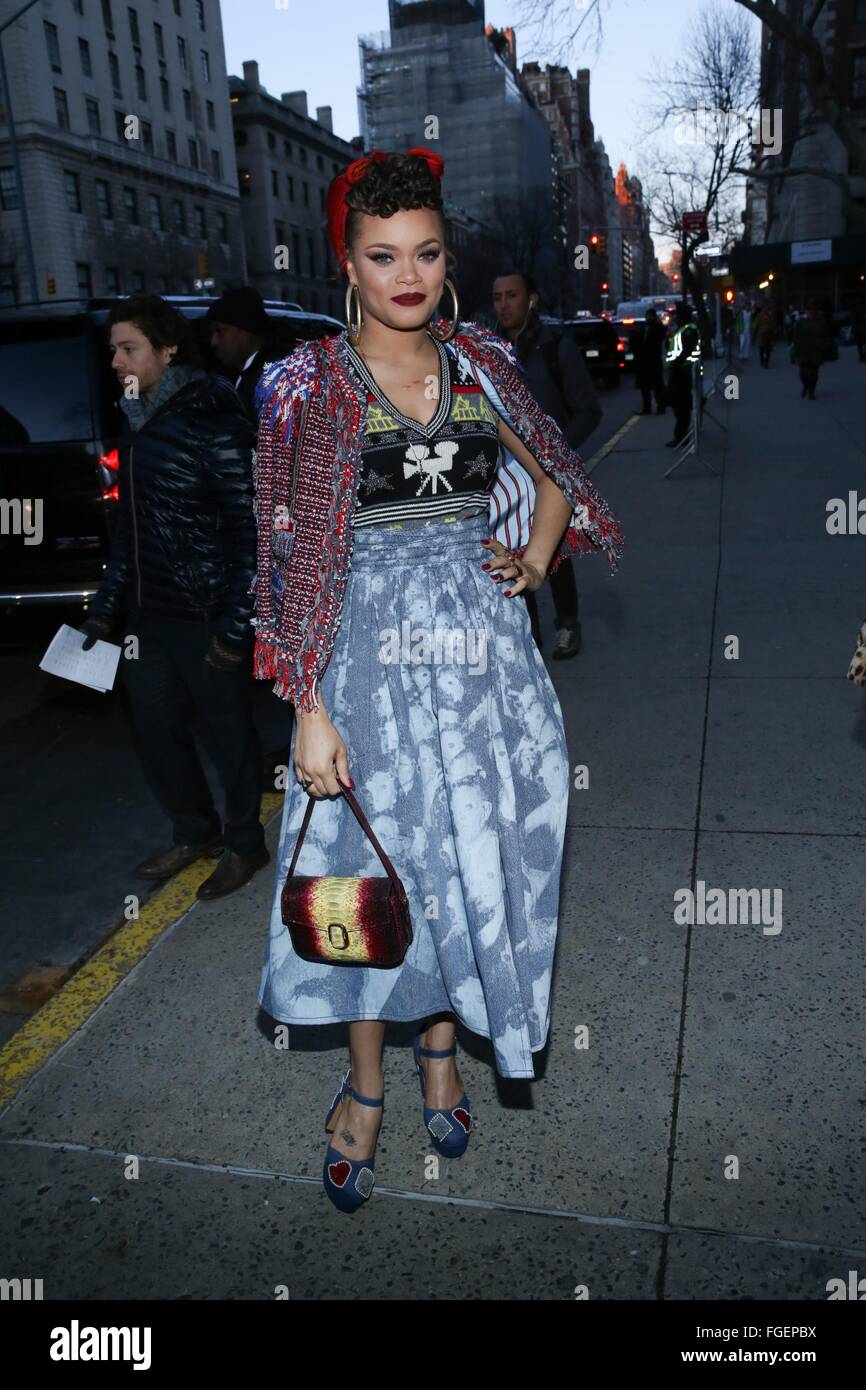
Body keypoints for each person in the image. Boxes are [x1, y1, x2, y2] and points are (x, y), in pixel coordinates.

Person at [253, 148, 623, 1213]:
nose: (406, 274)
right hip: (359, 657)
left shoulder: (479, 366)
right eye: (382, 256)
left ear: (445, 258)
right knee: (364, 885)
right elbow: (281, 561)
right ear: (347, 266)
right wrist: (308, 709)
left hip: (476, 667)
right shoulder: (302, 389)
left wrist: (534, 562)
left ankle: (441, 1054)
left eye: (423, 252)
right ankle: (367, 1084)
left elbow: (555, 472)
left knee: (467, 867)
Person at [79, 295, 269, 898]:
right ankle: (196, 831)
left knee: (229, 735)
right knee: (156, 731)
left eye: (128, 348)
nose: (115, 360)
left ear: (167, 350)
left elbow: (254, 530)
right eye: (112, 349)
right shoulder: (137, 420)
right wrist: (108, 606)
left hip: (205, 612)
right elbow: (130, 530)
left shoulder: (213, 416)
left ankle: (245, 845)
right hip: (147, 616)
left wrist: (237, 628)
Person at [491, 269, 603, 659]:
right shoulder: (485, 354)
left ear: (531, 299)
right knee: (509, 556)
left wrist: (555, 458)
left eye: (512, 295)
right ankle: (529, 639)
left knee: (552, 555)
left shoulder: (556, 348)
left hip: (548, 477)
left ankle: (568, 624)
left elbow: (589, 410)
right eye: (498, 297)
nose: (504, 305)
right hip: (504, 478)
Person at [205, 286, 269, 422]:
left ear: (244, 331)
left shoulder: (271, 383)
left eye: (220, 331)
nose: (213, 342)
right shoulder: (229, 376)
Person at [664, 303, 701, 447]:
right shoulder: (682, 329)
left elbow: (684, 352)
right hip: (678, 372)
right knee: (677, 404)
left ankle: (681, 437)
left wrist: (674, 364)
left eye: (676, 315)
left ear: (682, 317)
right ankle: (680, 436)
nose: (674, 318)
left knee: (681, 407)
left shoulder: (688, 331)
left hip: (682, 372)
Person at [631, 307, 666, 415]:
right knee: (648, 386)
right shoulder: (646, 328)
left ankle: (658, 407)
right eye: (647, 316)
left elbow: (652, 341)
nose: (648, 318)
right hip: (647, 360)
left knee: (655, 386)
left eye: (649, 316)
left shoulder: (656, 328)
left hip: (651, 360)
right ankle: (650, 407)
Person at [791, 306, 824, 399]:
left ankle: (812, 392)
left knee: (814, 373)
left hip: (815, 351)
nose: (810, 313)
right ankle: (806, 386)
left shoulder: (820, 321)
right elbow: (796, 336)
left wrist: (823, 345)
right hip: (803, 351)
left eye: (812, 311)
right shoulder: (801, 322)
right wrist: (796, 348)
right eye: (809, 311)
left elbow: (825, 334)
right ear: (806, 312)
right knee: (803, 373)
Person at [756, 302, 777, 368]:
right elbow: (757, 323)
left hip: (766, 333)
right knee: (763, 348)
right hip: (764, 333)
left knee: (766, 348)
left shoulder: (769, 315)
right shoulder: (762, 315)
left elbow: (772, 323)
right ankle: (764, 361)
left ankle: (765, 362)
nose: (766, 309)